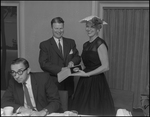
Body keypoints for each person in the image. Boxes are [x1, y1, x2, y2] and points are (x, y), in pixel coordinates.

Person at [71, 16, 116, 115]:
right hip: (84, 82)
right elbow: (83, 65)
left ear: (98, 29)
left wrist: (87, 74)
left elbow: (105, 66)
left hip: (96, 82)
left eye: (92, 27)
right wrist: (70, 70)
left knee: (93, 110)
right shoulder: (85, 45)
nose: (88, 29)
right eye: (87, 26)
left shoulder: (100, 43)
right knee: (81, 110)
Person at [39, 17, 81, 109]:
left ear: (64, 28)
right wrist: (61, 69)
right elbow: (43, 63)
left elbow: (77, 57)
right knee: (55, 108)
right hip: (53, 83)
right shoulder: (45, 45)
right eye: (56, 28)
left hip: (68, 83)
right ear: (52, 28)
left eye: (61, 28)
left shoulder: (70, 42)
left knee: (68, 108)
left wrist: (72, 61)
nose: (59, 31)